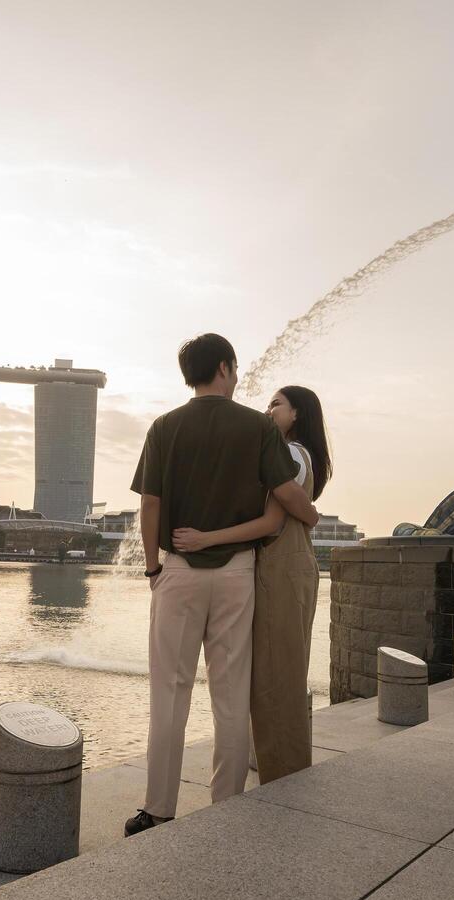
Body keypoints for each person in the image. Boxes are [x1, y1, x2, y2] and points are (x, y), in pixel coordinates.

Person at [125, 335, 319, 837]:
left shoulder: (165, 426)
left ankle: (158, 808)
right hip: (237, 572)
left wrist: (152, 567)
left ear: (190, 373)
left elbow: (150, 504)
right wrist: (311, 512)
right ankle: (225, 802)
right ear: (227, 368)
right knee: (231, 694)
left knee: (169, 692)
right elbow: (284, 495)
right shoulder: (257, 427)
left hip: (178, 571)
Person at [173, 386, 331, 784]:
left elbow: (273, 520)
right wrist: (309, 513)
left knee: (277, 681)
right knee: (283, 676)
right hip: (291, 567)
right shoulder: (297, 453)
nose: (268, 410)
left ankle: (283, 780)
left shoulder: (290, 453)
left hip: (281, 569)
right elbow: (296, 508)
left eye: (276, 404)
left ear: (297, 414)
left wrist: (205, 539)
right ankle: (285, 773)